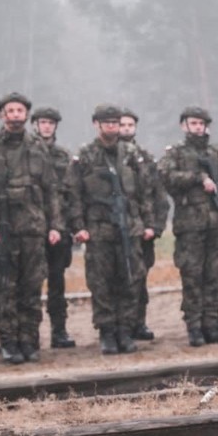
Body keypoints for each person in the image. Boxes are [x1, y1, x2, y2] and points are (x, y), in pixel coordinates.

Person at [0, 92, 64, 365]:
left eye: (19, 110)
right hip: (1, 229)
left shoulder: (37, 146)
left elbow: (51, 189)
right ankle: (8, 342)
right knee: (3, 288)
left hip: (32, 228)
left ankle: (29, 341)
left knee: (31, 287)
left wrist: (55, 224)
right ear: (2, 115)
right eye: (9, 111)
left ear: (26, 115)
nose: (15, 115)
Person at [69, 105, 154, 354]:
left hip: (129, 228)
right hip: (99, 231)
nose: (112, 127)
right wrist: (79, 227)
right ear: (96, 124)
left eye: (115, 123)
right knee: (101, 283)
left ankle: (125, 331)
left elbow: (145, 191)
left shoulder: (131, 155)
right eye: (106, 123)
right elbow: (73, 194)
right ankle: (107, 333)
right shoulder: (85, 156)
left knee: (130, 280)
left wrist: (148, 224)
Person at [159, 106, 218, 347]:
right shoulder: (176, 154)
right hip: (190, 226)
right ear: (184, 126)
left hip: (216, 225)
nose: (197, 127)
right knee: (192, 275)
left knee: (213, 276)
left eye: (201, 124)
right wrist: (197, 178)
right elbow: (165, 176)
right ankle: (194, 326)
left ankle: (212, 323)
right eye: (193, 123)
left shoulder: (215, 155)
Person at [118, 107, 169, 340]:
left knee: (140, 278)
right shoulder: (107, 157)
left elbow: (158, 195)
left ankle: (139, 322)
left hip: (144, 230)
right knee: (119, 278)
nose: (126, 129)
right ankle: (121, 326)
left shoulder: (145, 158)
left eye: (130, 125)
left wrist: (156, 226)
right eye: (122, 125)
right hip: (118, 230)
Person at [31, 107, 77, 350]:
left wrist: (66, 225)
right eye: (42, 122)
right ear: (35, 125)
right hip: (31, 229)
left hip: (60, 230)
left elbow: (71, 193)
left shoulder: (63, 156)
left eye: (50, 122)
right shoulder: (27, 153)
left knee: (57, 284)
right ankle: (31, 334)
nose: (46, 126)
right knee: (31, 285)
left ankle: (59, 331)